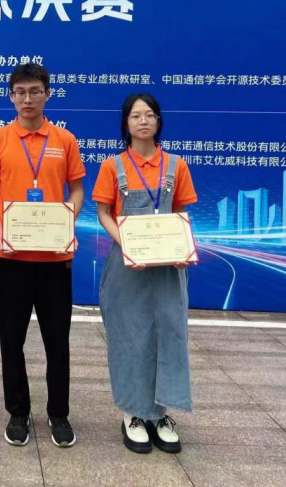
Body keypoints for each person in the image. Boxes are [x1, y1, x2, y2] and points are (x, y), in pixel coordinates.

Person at [0, 63, 85, 448]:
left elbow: (77, 190)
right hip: (11, 258)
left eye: (35, 91)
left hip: (55, 259)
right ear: (10, 96)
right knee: (12, 339)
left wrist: (66, 222)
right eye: (20, 92)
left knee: (58, 341)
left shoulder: (65, 140)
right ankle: (18, 412)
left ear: (48, 94)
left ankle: (59, 413)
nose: (27, 99)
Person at [92, 93, 198, 454]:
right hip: (127, 266)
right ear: (126, 123)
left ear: (158, 121)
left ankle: (162, 414)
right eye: (136, 116)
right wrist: (128, 243)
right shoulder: (113, 167)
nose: (143, 121)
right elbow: (103, 213)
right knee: (129, 337)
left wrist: (183, 249)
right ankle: (133, 413)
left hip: (168, 269)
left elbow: (181, 214)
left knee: (169, 335)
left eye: (150, 115)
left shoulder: (176, 166)